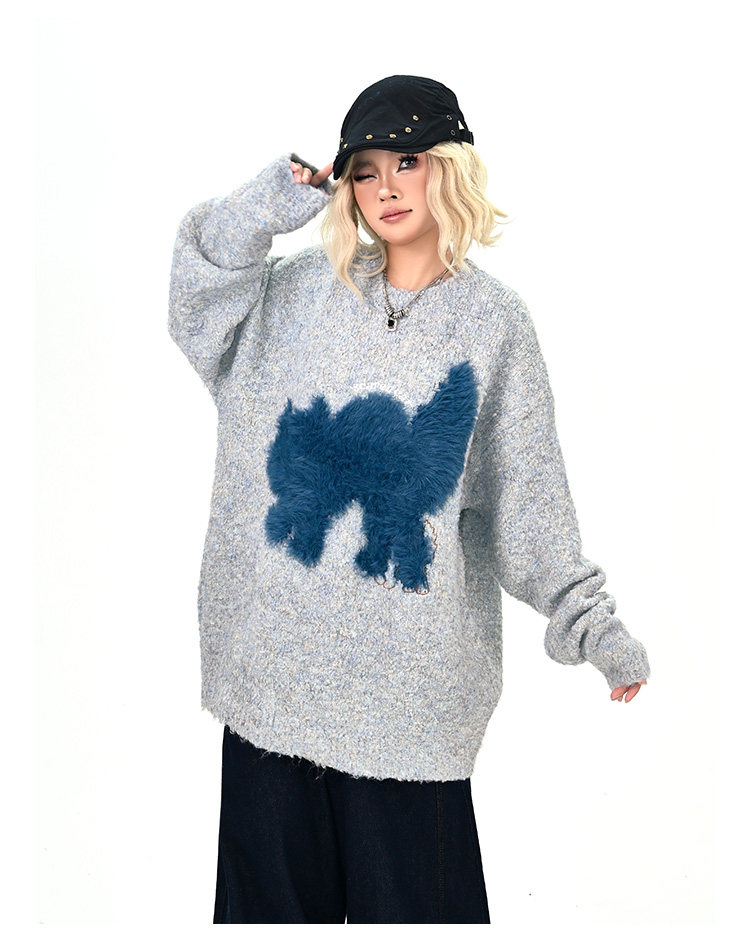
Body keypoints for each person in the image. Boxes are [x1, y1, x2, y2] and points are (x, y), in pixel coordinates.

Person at [167, 75, 651, 924]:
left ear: (448, 168)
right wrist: (266, 202)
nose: (386, 187)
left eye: (408, 161)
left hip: (410, 712)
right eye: (365, 171)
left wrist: (592, 627)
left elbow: (527, 503)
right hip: (270, 687)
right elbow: (194, 300)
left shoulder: (494, 325)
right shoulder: (293, 295)